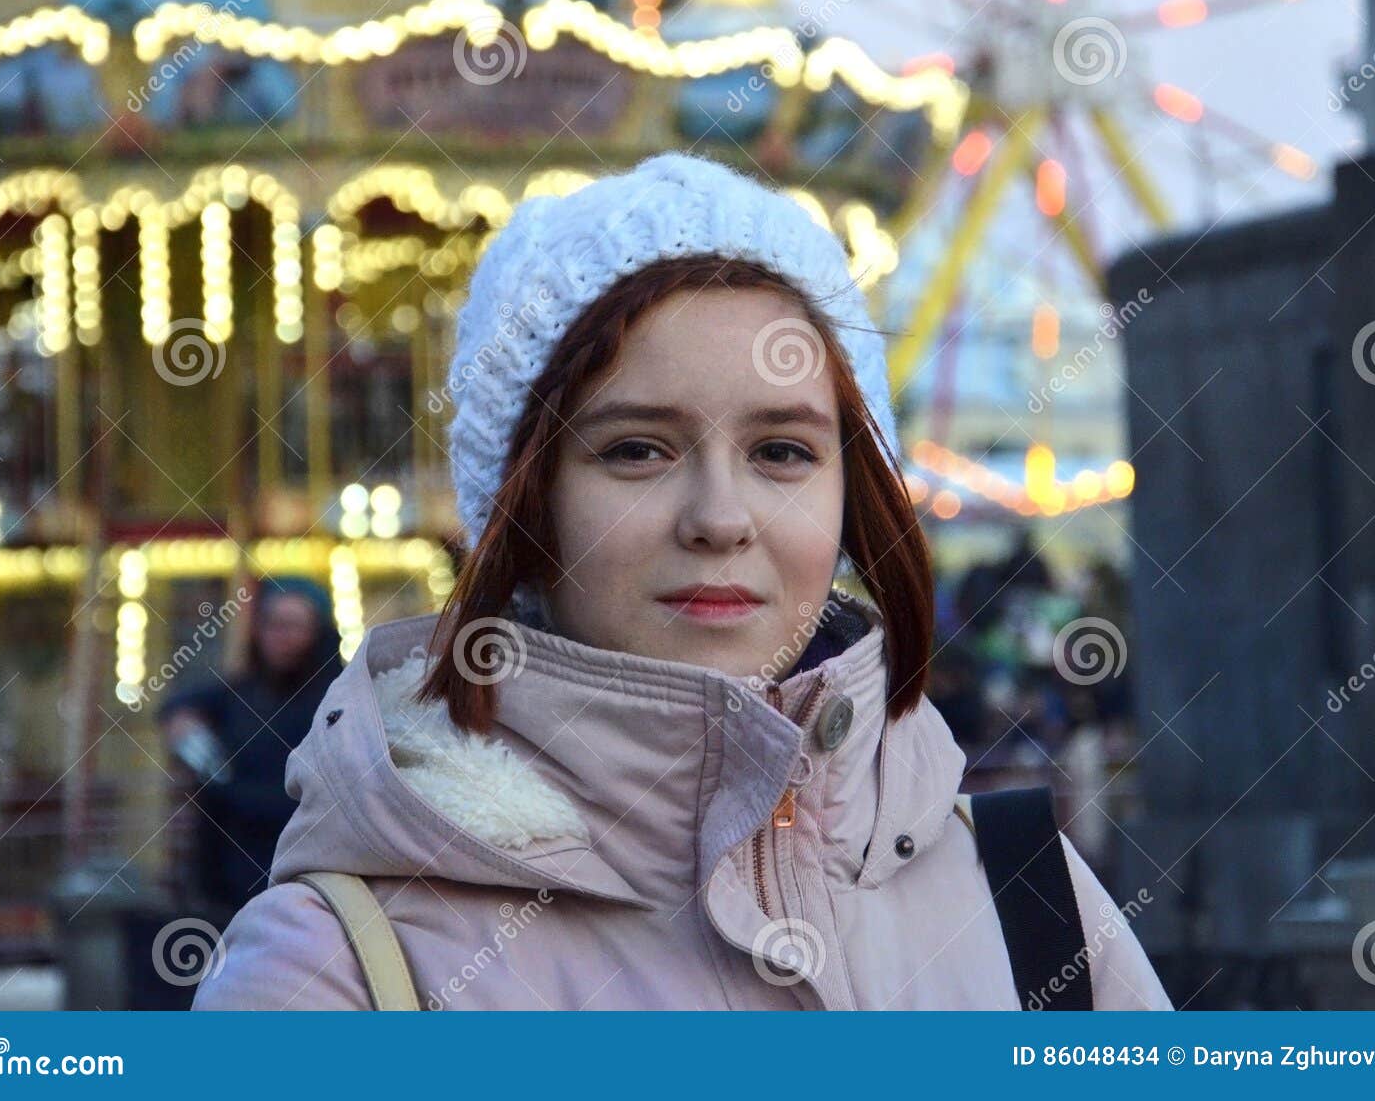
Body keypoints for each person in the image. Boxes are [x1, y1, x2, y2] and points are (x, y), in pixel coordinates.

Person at [193, 153, 1172, 1010]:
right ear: (524, 509)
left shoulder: (1027, 898)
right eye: (636, 451)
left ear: (850, 489)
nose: (719, 516)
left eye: (782, 450)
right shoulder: (339, 973)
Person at [159, 577, 342, 929]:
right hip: (228, 876)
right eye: (272, 624)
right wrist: (186, 728)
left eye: (293, 626)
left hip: (306, 876)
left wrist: (230, 793)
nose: (280, 636)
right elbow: (182, 706)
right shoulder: (244, 692)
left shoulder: (337, 698)